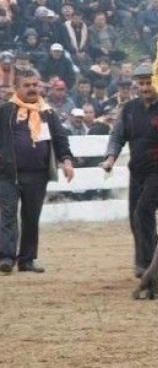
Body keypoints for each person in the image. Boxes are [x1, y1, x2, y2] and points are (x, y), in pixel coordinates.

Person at [101, 63, 158, 278]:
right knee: (137, 219)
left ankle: (145, 264)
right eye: (141, 83)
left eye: (149, 83)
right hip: (137, 172)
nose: (145, 88)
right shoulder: (129, 109)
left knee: (143, 212)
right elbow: (118, 136)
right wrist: (110, 158)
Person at [0, 68, 74, 274]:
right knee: (7, 215)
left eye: (35, 85)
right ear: (17, 88)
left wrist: (66, 160)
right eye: (27, 85)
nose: (32, 88)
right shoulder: (5, 111)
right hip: (8, 174)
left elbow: (60, 138)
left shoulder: (47, 112)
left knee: (31, 218)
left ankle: (27, 260)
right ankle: (6, 258)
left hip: (38, 174)